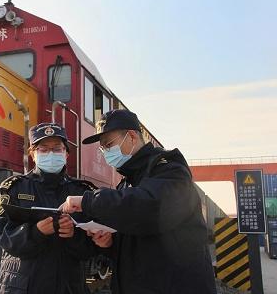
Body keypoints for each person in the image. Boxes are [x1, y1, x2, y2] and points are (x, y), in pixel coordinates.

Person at [61, 109, 217, 294]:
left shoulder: (170, 171)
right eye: (102, 149)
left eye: (109, 144)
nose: (105, 153)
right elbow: (139, 236)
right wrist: (110, 243)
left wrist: (88, 201)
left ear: (132, 137)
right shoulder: (127, 183)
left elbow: (148, 208)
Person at [0, 122, 96, 294]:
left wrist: (73, 235)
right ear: (33, 154)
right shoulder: (13, 188)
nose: (51, 154)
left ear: (66, 154)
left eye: (57, 149)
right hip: (21, 287)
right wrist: (35, 232)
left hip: (68, 286)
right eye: (44, 149)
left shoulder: (82, 192)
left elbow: (93, 247)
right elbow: (0, 234)